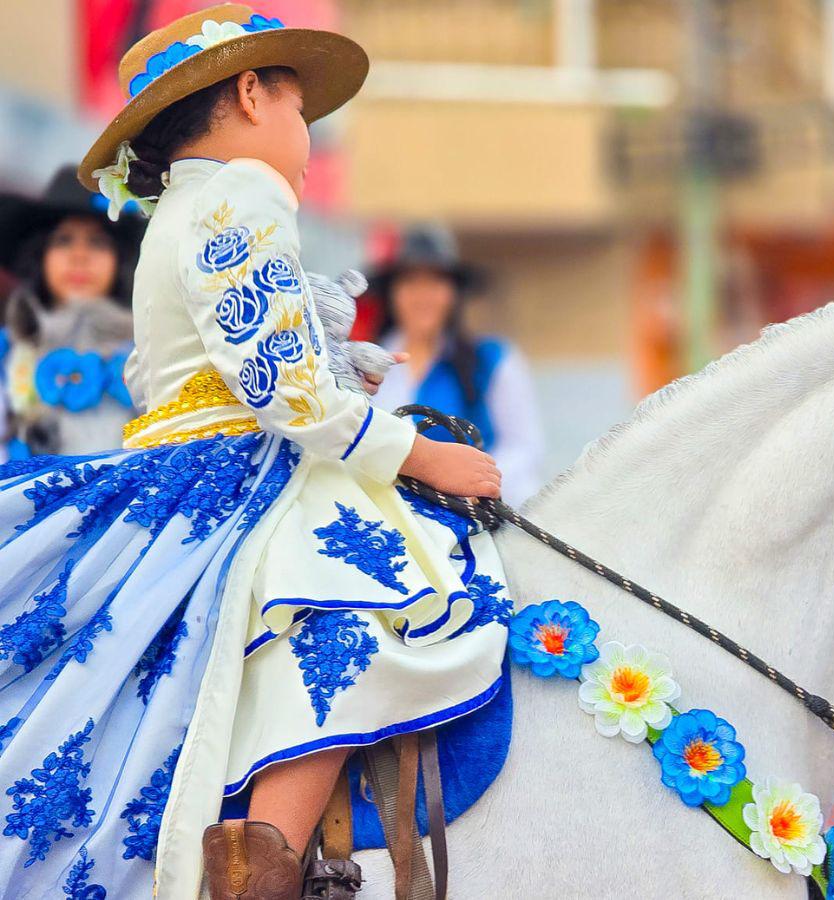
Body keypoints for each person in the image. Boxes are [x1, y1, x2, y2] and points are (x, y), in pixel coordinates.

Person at [0, 6, 510, 898]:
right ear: (247, 94)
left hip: (178, 473)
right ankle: (262, 868)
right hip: (235, 473)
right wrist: (417, 456)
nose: (309, 140)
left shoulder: (183, 210)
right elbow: (281, 381)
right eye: (300, 111)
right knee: (355, 601)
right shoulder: (244, 191)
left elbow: (198, 369)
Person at [369, 224, 545, 506]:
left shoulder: (495, 362)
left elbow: (524, 449)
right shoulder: (364, 367)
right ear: (392, 292)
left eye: (436, 281)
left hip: (475, 520)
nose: (423, 294)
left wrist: (475, 483)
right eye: (411, 281)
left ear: (453, 292)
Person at [0, 166, 145, 455]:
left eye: (97, 242)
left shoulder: (146, 357)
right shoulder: (5, 353)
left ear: (121, 262)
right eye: (64, 240)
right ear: (39, 256)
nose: (80, 256)